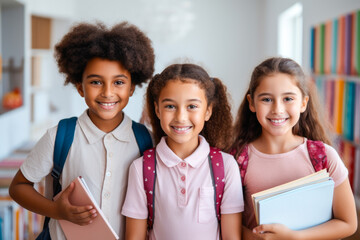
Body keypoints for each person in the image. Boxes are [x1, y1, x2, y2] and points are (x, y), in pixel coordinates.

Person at [9, 21, 155, 239]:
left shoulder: (146, 141)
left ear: (132, 87)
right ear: (80, 87)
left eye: (118, 82)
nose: (107, 92)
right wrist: (56, 210)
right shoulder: (60, 136)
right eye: (96, 82)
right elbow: (18, 187)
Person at [230, 57, 358, 240]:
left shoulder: (324, 157)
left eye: (288, 98)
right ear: (251, 103)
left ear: (303, 103)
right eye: (267, 99)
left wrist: (294, 237)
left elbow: (348, 223)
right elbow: (227, 220)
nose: (278, 109)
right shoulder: (237, 159)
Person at [121, 63, 244, 240]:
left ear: (208, 111)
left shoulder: (225, 165)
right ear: (157, 110)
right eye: (170, 106)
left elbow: (232, 237)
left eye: (192, 106)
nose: (180, 117)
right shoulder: (141, 168)